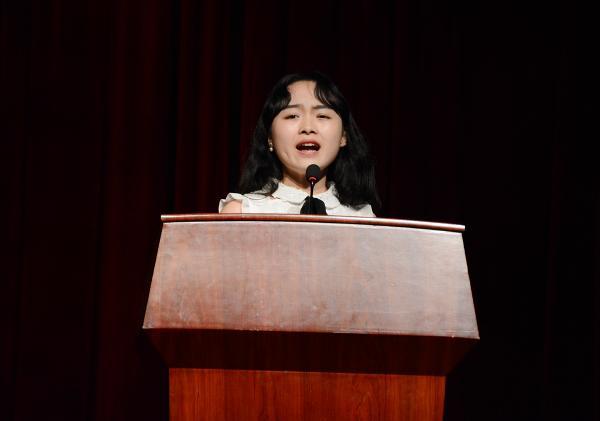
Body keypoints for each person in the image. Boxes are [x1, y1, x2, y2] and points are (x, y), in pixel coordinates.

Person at [219, 71, 379, 216]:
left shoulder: (363, 218)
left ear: (343, 136)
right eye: (292, 116)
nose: (308, 128)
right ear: (270, 137)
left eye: (322, 116)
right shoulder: (243, 212)